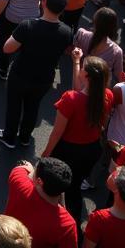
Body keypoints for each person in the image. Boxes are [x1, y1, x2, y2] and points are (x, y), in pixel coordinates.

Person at [0, 0, 73, 150]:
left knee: (14, 106)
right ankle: (24, 137)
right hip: (44, 78)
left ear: (43, 3)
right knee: (33, 106)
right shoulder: (67, 31)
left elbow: (8, 48)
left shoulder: (28, 25)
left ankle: (9, 137)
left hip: (21, 74)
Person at [41, 51, 113, 220]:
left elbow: (57, 132)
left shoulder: (70, 99)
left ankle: (68, 224)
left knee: (60, 186)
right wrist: (77, 61)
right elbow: (79, 90)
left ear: (86, 76)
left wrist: (46, 153)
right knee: (74, 185)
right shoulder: (107, 96)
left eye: (83, 68)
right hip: (91, 150)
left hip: (68, 151)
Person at [0, 159, 76, 248]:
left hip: (2, 237)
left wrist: (30, 169)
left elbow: (21, 168)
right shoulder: (67, 224)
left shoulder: (18, 181)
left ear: (39, 181)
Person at [82, 165, 125, 248]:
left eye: (116, 175)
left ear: (117, 191)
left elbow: (88, 246)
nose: (115, 172)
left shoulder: (99, 219)